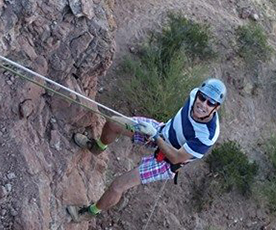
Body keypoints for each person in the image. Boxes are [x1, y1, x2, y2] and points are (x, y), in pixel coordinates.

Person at [66, 78, 225, 222]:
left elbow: (177, 157)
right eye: (202, 97)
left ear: (216, 108)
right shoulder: (193, 96)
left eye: (210, 103)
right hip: (162, 132)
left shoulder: (207, 135)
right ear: (198, 94)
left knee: (117, 185)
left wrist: (155, 136)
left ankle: (88, 213)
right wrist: (157, 133)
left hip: (168, 160)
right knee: (114, 123)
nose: (203, 104)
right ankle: (97, 148)